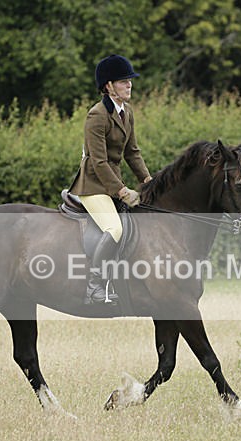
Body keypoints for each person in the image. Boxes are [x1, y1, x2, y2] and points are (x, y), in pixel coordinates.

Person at [70, 54, 153, 305]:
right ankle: (95, 286)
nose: (129, 85)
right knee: (114, 228)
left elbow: (132, 152)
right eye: (123, 81)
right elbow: (99, 161)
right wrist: (121, 190)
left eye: (129, 81)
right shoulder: (97, 115)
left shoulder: (126, 112)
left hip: (112, 183)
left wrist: (148, 181)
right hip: (93, 185)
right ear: (108, 86)